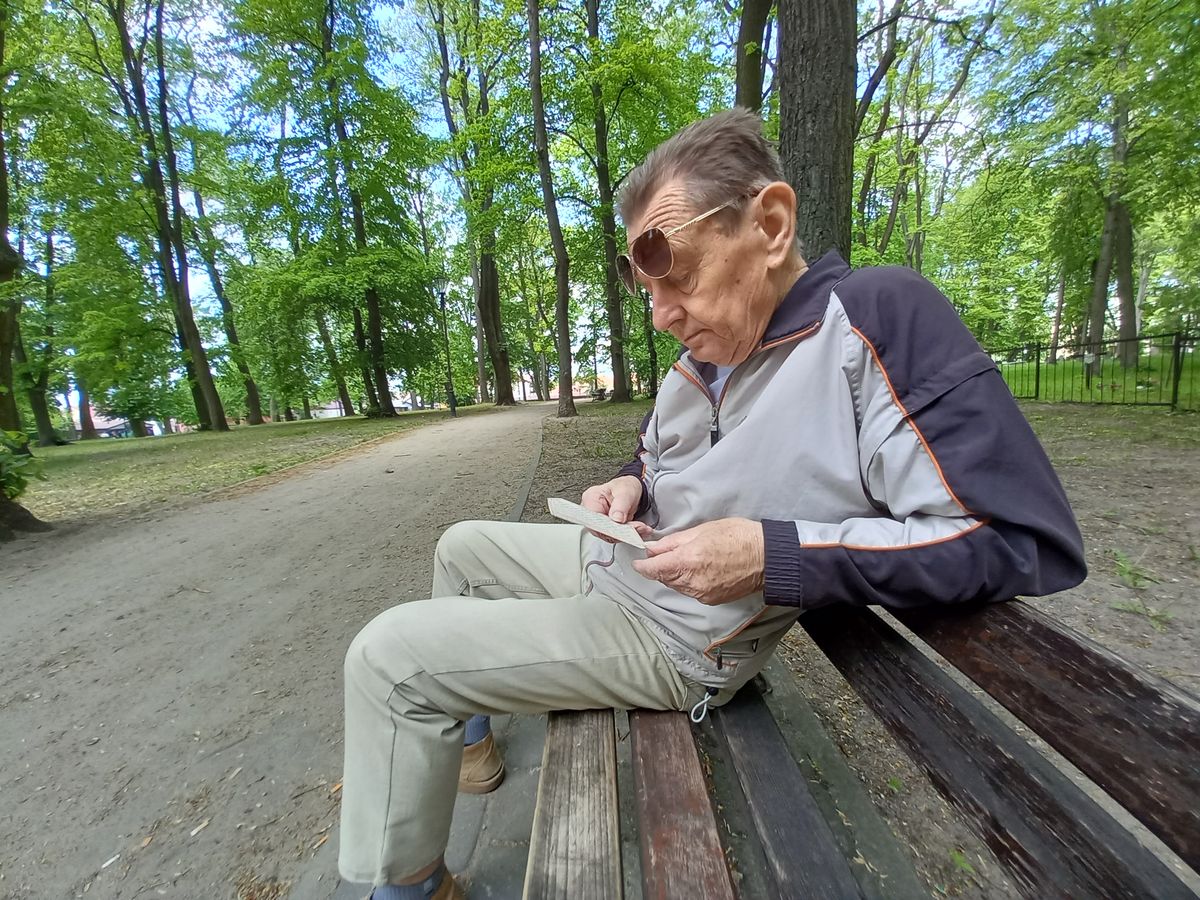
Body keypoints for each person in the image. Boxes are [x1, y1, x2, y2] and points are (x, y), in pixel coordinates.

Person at [338, 108, 1087, 899]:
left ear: (768, 223)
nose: (661, 315)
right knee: (459, 545)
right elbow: (663, 458)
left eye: (680, 277)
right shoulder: (706, 358)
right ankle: (469, 744)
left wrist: (777, 555)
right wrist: (632, 481)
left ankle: (411, 885)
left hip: (675, 635)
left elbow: (1014, 538)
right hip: (626, 559)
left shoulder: (872, 322)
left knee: (390, 659)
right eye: (649, 290)